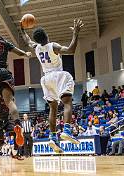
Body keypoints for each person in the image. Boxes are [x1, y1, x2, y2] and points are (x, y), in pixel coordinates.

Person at [21, 18, 84, 153]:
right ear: (47, 36)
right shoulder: (52, 46)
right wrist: (76, 33)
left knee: (53, 110)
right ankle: (67, 129)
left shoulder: (36, 47)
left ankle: (53, 137)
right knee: (67, 103)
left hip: (46, 79)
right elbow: (71, 50)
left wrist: (21, 28)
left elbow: (27, 40)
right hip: (58, 75)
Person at [0, 94, 23, 164]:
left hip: (6, 120)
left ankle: (14, 153)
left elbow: (13, 110)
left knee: (16, 131)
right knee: (1, 142)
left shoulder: (12, 98)